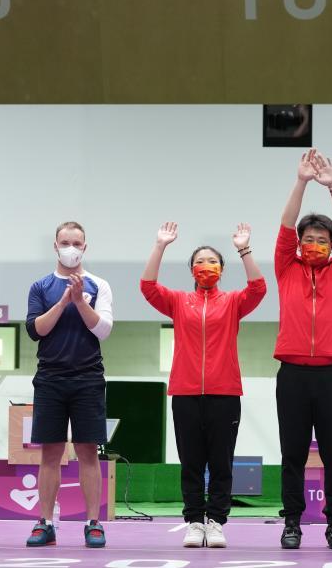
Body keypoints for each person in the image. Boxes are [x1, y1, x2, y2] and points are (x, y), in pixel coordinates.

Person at [140, 221, 267, 548]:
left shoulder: (234, 302)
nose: (206, 266)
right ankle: (194, 522)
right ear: (192, 270)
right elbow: (148, 286)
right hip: (184, 393)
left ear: (222, 270)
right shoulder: (180, 301)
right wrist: (160, 245)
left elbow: (259, 288)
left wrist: (244, 249)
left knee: (222, 463)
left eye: (213, 261)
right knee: (192, 462)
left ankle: (216, 523)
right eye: (200, 261)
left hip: (225, 393)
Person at [274, 149, 332, 550]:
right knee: (291, 452)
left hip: (331, 374)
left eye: (322, 240)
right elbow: (286, 226)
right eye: (308, 240)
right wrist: (302, 182)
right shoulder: (286, 268)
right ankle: (292, 520)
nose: (314, 244)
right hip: (291, 373)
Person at [24, 221, 114, 548]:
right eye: (65, 242)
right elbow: (37, 330)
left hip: (88, 378)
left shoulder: (99, 285)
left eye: (77, 242)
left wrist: (81, 302)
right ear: (55, 246)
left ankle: (93, 523)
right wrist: (63, 301)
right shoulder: (40, 287)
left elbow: (103, 330)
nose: (71, 248)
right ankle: (45, 523)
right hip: (50, 379)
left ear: (85, 247)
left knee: (88, 451)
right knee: (51, 453)